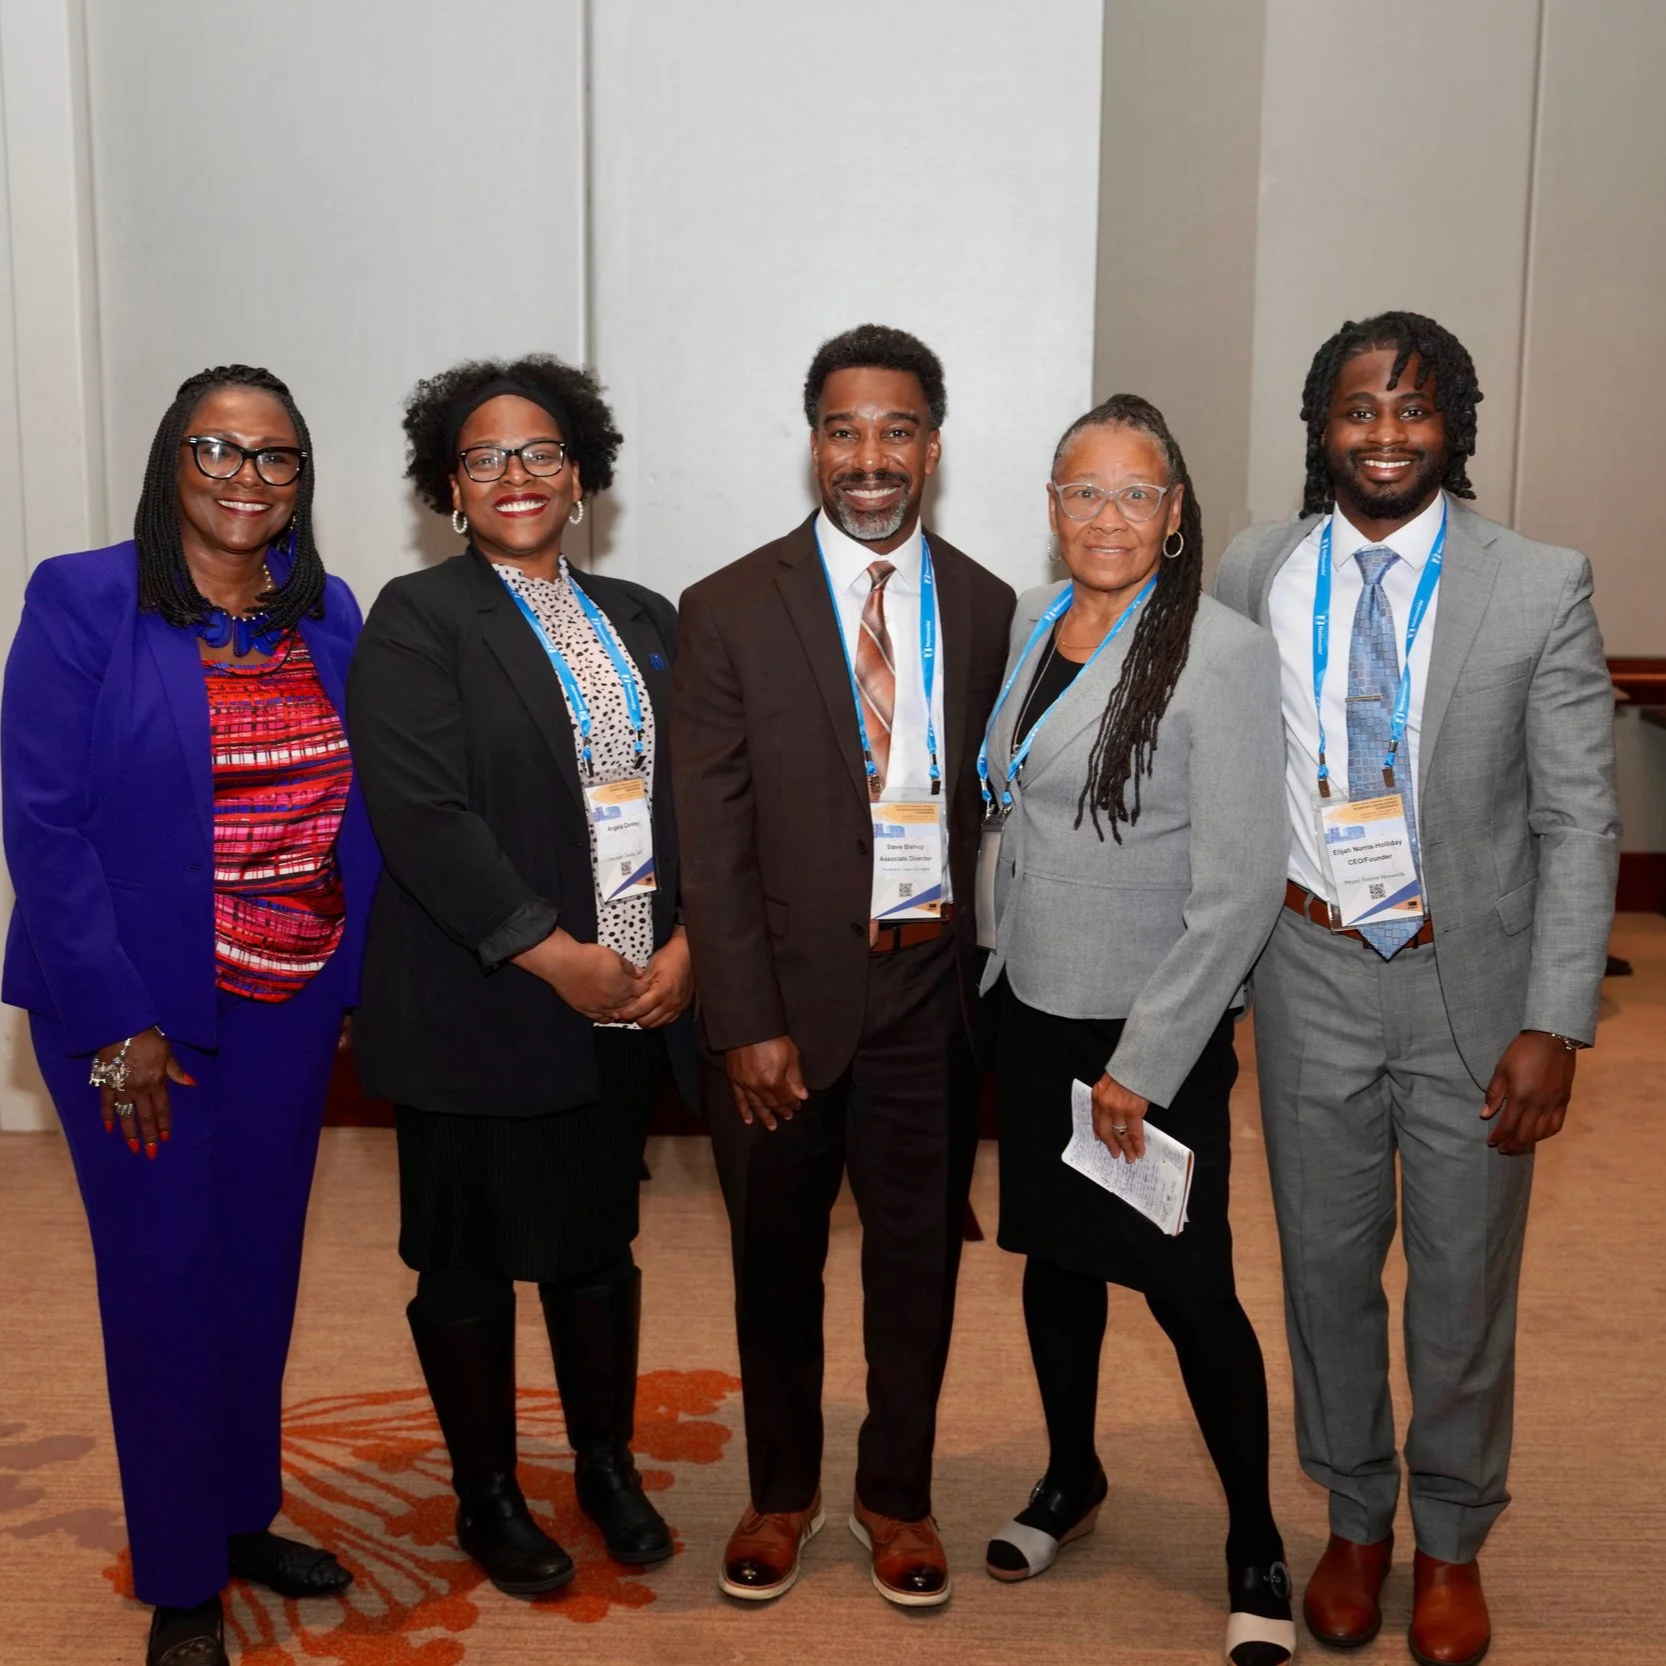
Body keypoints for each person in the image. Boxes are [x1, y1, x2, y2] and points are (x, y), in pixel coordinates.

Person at [1215, 312, 1618, 1666]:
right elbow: (1208, 780)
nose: (1383, 432)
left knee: (1460, 1277)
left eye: (1413, 406)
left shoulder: (1537, 580)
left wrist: (1554, 1017)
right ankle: (1354, 1516)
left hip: (1473, 985)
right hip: (1305, 965)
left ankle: (1449, 1537)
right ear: (1317, 428)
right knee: (1325, 1271)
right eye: (1355, 408)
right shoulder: (1252, 568)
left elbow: (1576, 817)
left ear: (1454, 424)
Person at [1, 365, 379, 1666]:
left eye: (275, 456)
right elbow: (43, 825)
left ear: (300, 484)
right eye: (216, 447)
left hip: (284, 1001)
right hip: (133, 1015)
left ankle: (233, 1515)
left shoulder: (325, 607)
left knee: (255, 1272)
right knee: (162, 1281)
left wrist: (355, 982)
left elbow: (363, 807)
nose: (244, 474)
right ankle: (177, 1576)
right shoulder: (84, 598)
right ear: (172, 460)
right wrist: (118, 1021)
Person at [672, 324, 1013, 1608]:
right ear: (813, 438)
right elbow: (707, 831)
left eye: (895, 429)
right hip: (779, 1006)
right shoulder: (729, 605)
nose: (868, 457)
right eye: (842, 429)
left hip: (930, 989)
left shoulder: (984, 606)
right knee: (774, 1254)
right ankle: (778, 1489)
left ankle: (896, 1494)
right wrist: (745, 1018)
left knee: (918, 1257)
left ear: (932, 441)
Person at [347, 355, 692, 1599]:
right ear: (449, 485)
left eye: (541, 451)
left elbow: (700, 795)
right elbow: (423, 814)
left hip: (626, 999)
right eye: (485, 456)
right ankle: (485, 1495)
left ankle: (605, 1467)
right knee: (467, 1259)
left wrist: (683, 946)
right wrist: (555, 955)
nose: (516, 475)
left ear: (584, 473)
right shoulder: (417, 616)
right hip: (479, 994)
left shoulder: (648, 615)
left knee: (599, 1246)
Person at [977, 395, 1294, 1666]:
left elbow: (1239, 886)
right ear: (1052, 507)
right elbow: (1018, 807)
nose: (1106, 516)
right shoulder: (1028, 618)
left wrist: (1141, 1064)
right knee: (1054, 1262)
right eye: (1081, 491)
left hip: (1141, 1025)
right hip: (1029, 1001)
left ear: (1172, 516)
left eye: (1134, 494)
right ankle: (1070, 1475)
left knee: (1188, 1284)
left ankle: (1257, 1539)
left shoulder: (1217, 653)